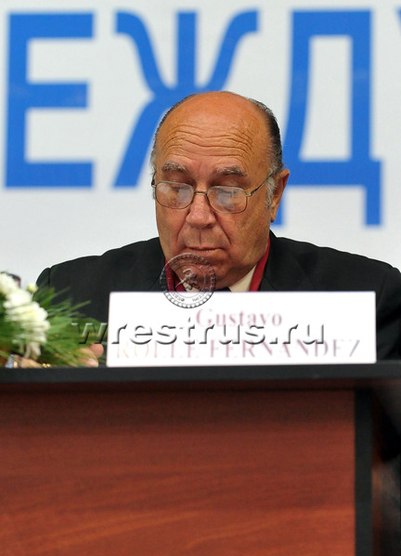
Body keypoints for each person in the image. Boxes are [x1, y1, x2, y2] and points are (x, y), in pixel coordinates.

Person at [37, 90, 401, 360]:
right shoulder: (73, 296)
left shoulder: (367, 299)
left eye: (227, 192)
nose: (198, 216)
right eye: (176, 187)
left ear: (274, 194)